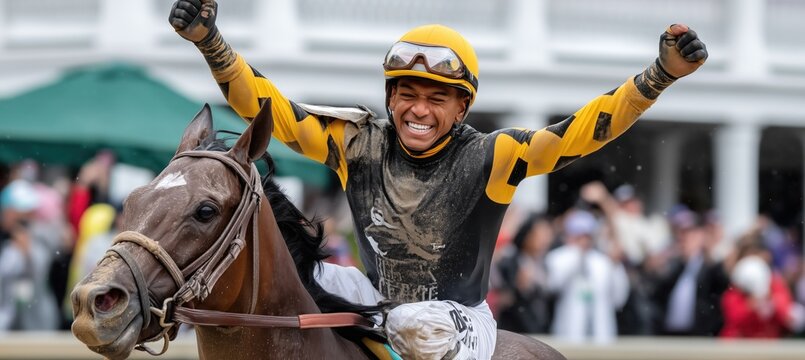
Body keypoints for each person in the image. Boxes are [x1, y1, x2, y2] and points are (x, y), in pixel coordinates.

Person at [169, 1, 707, 358]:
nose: (417, 109)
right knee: (285, 286)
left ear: (462, 106)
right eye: (406, 93)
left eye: (436, 97)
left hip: (458, 320)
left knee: (416, 325)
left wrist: (656, 78)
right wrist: (212, 43)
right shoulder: (357, 142)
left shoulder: (494, 155)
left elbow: (578, 135)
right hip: (377, 296)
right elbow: (272, 110)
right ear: (389, 98)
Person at [545, 209, 629, 343]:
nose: (584, 240)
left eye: (587, 236)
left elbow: (619, 299)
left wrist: (616, 266)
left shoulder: (603, 261)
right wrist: (578, 255)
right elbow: (553, 286)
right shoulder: (556, 257)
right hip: (568, 335)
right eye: (579, 235)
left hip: (601, 337)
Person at [494, 213, 556, 334]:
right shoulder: (511, 261)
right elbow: (506, 297)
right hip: (514, 331)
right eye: (539, 234)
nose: (545, 239)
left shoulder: (544, 263)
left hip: (540, 330)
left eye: (547, 234)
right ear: (527, 235)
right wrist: (519, 288)